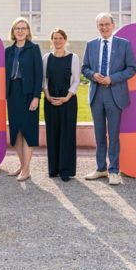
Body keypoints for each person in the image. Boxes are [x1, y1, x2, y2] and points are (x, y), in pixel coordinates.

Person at [82, 13, 136, 185]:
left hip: (115, 94)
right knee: (99, 134)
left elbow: (132, 68)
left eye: (107, 24)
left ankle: (114, 170)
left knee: (113, 135)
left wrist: (112, 78)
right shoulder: (90, 45)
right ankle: (100, 169)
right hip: (97, 94)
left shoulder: (124, 44)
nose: (104, 27)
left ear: (113, 25)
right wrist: (93, 75)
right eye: (100, 25)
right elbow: (84, 68)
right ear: (97, 26)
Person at [5, 17, 43, 182]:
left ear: (28, 31)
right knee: (17, 132)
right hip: (13, 94)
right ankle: (22, 166)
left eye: (23, 28)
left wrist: (36, 97)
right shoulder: (8, 51)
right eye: (17, 28)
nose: (20, 31)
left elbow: (39, 74)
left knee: (28, 132)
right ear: (13, 32)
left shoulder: (33, 49)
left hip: (28, 94)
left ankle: (26, 170)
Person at [42, 28, 81, 182]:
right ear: (52, 41)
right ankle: (53, 169)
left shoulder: (74, 58)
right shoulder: (46, 57)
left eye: (60, 38)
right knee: (52, 134)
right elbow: (44, 80)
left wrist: (67, 97)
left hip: (68, 101)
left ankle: (66, 170)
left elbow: (76, 80)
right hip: (50, 100)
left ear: (65, 40)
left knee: (67, 135)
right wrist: (48, 96)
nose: (57, 41)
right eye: (55, 38)